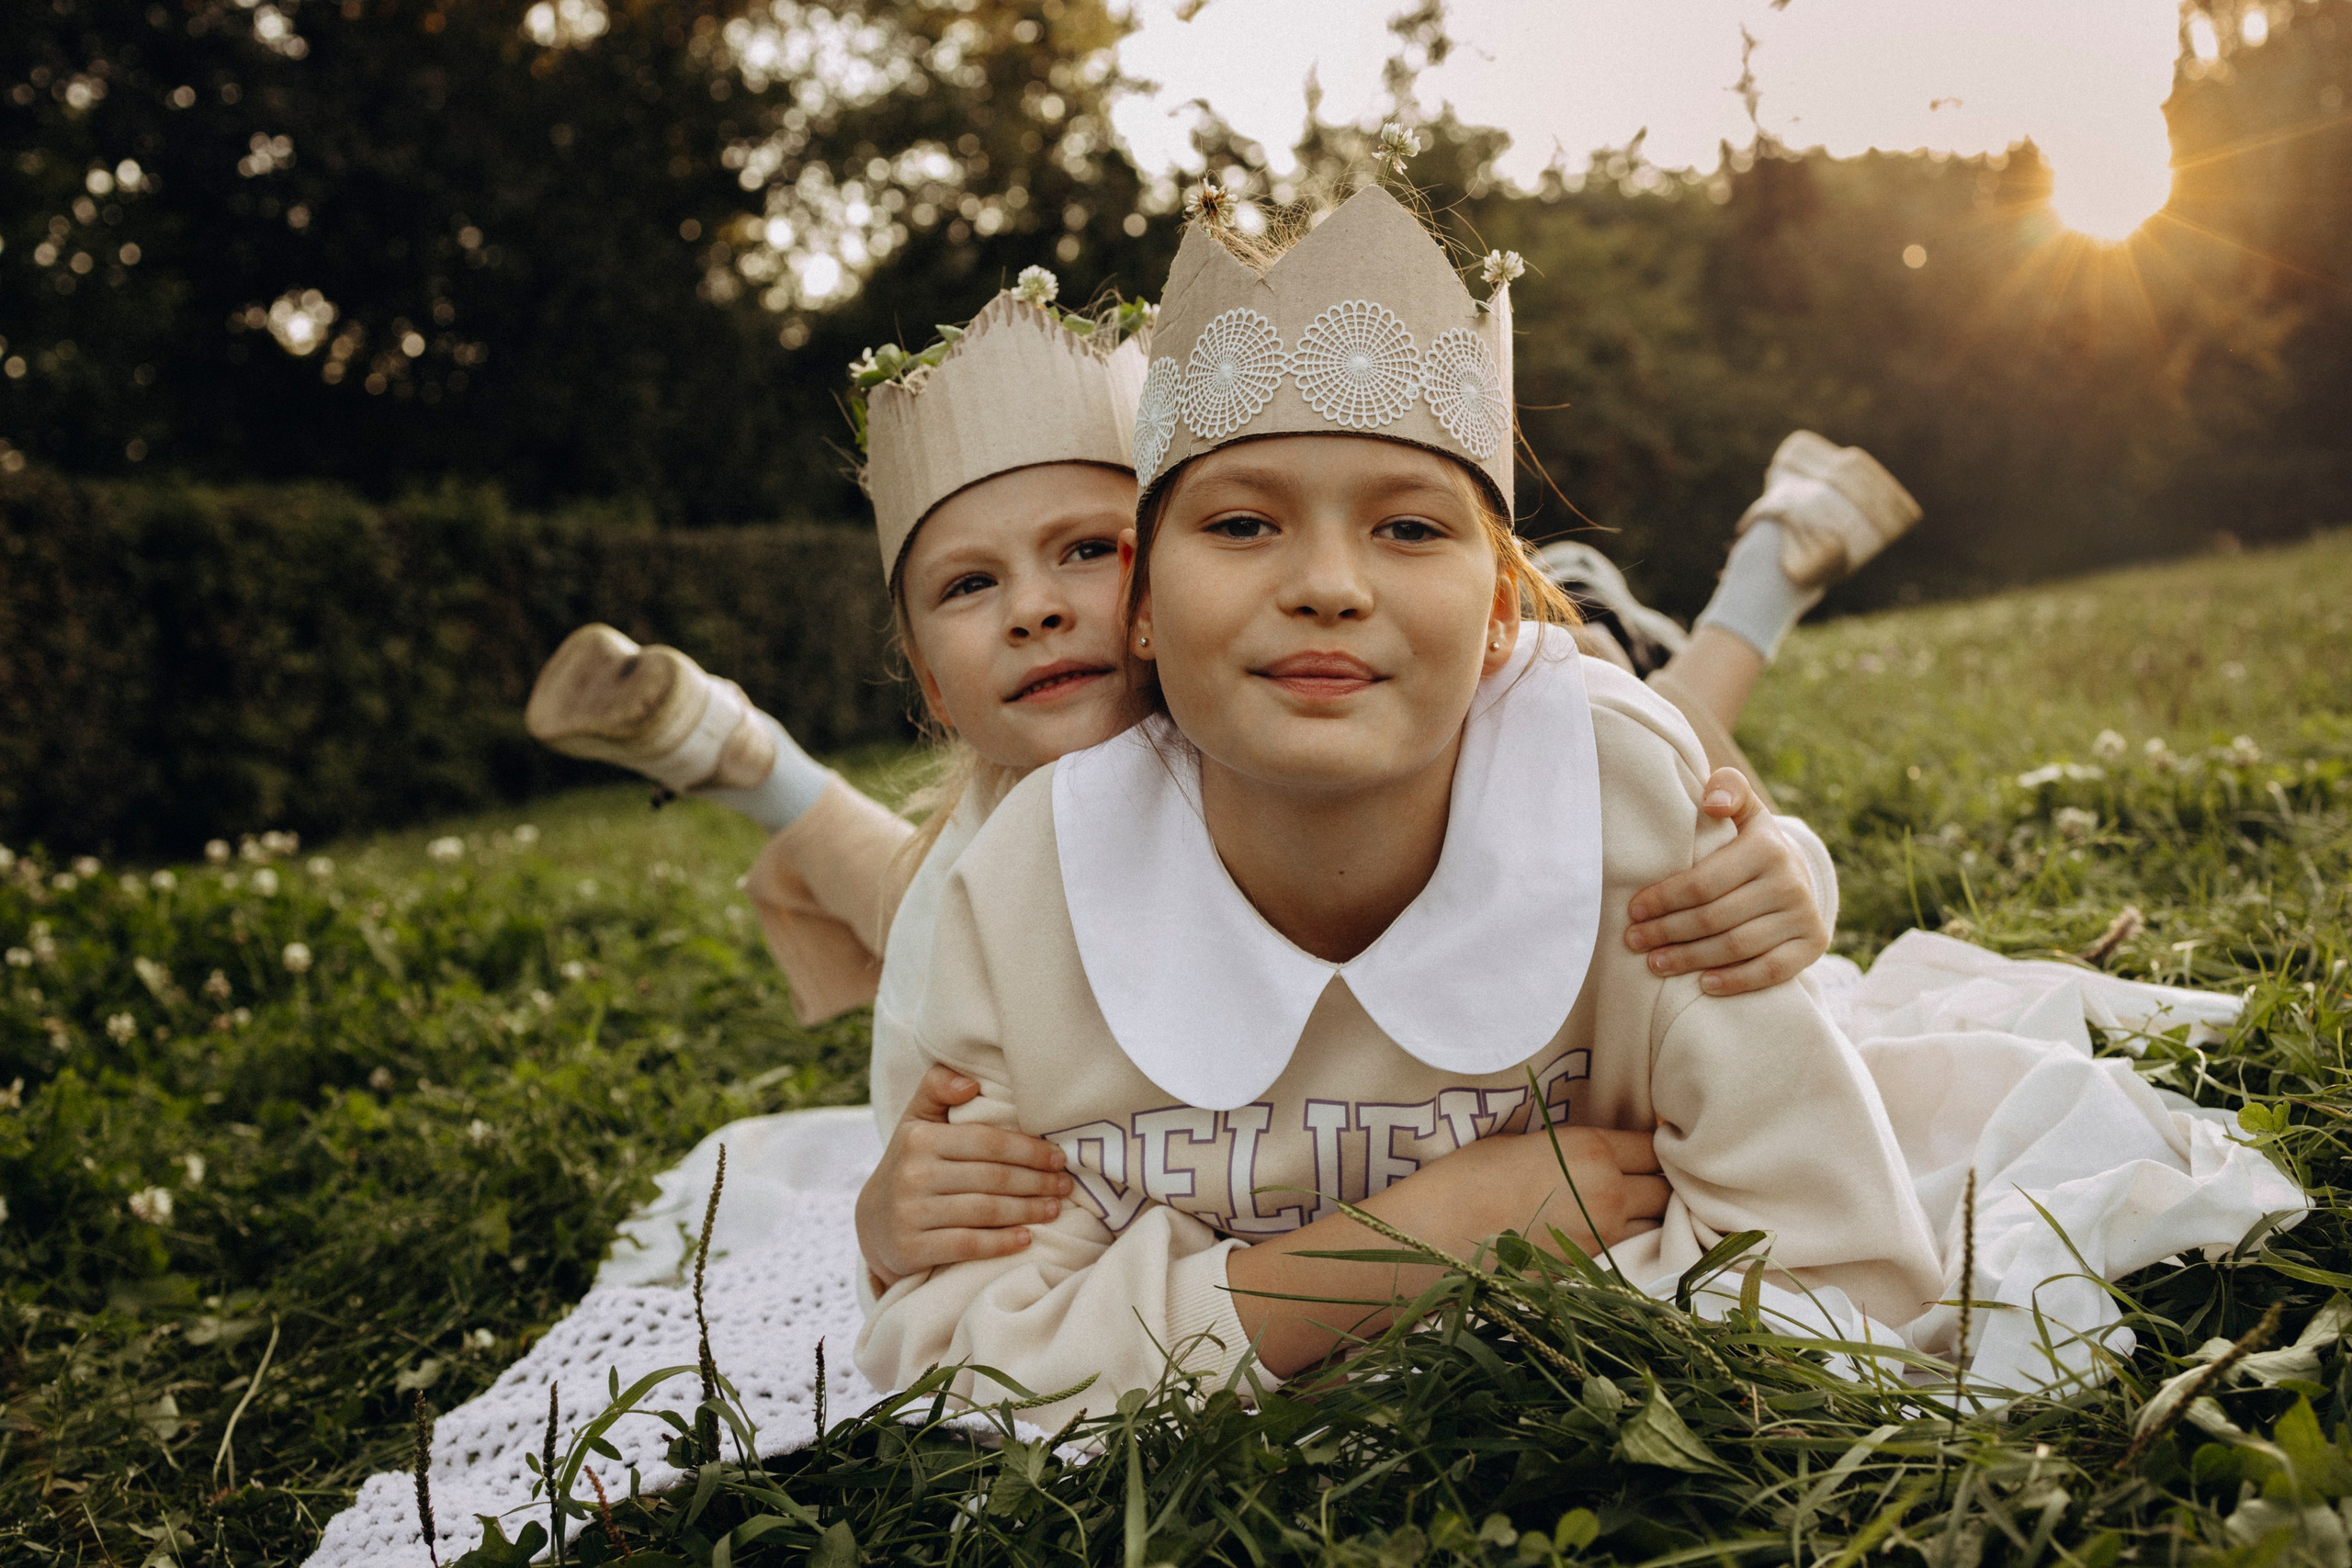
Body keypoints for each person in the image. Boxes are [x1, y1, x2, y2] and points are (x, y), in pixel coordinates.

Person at [526, 292, 1919, 1292]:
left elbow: (1675, 817)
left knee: (1616, 682)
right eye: (971, 586)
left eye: (1088, 551)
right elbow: (952, 1168)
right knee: (913, 892)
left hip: (1549, 654)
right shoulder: (991, 884)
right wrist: (891, 1217)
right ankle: (729, 752)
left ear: (1147, 589)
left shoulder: (1450, 703)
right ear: (929, 684)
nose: (1041, 611)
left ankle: (1765, 565)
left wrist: (1788, 870)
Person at [852, 185, 1948, 1420]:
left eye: (1412, 527)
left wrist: (1785, 871)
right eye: (1244, 522)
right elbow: (958, 1368)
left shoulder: (1619, 796)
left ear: (1501, 615)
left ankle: (1760, 567)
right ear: (1143, 608)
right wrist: (1419, 1245)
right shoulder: (1017, 890)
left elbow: (1844, 1282)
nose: (1328, 583)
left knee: (1654, 700)